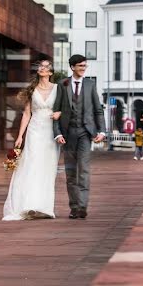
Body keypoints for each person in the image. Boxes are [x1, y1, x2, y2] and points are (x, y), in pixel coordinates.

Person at [3, 60, 63, 220]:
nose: (42, 68)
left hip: (51, 133)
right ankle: (28, 204)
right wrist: (20, 136)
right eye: (40, 66)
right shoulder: (32, 90)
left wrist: (60, 113)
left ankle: (44, 207)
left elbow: (65, 108)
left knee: (47, 169)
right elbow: (27, 113)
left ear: (51, 72)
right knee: (31, 165)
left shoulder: (58, 89)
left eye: (46, 66)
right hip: (35, 131)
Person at [55, 54, 106, 220]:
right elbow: (56, 111)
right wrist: (58, 133)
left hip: (85, 133)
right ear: (72, 67)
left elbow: (98, 110)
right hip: (68, 134)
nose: (83, 69)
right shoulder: (62, 84)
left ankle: (83, 206)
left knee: (83, 170)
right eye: (80, 66)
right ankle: (74, 207)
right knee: (70, 173)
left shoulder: (91, 85)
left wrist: (102, 131)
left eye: (85, 66)